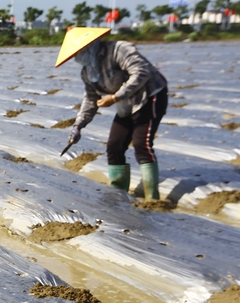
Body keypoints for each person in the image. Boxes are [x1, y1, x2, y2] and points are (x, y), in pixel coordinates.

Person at [56, 27, 169, 201]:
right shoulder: (88, 71)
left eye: (80, 51)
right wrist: (78, 125)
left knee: (142, 144)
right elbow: (91, 98)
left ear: (90, 45)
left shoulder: (119, 50)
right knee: (114, 146)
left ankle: (152, 198)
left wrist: (115, 97)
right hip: (125, 104)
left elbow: (142, 72)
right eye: (75, 54)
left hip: (149, 97)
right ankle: (119, 194)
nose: (78, 57)